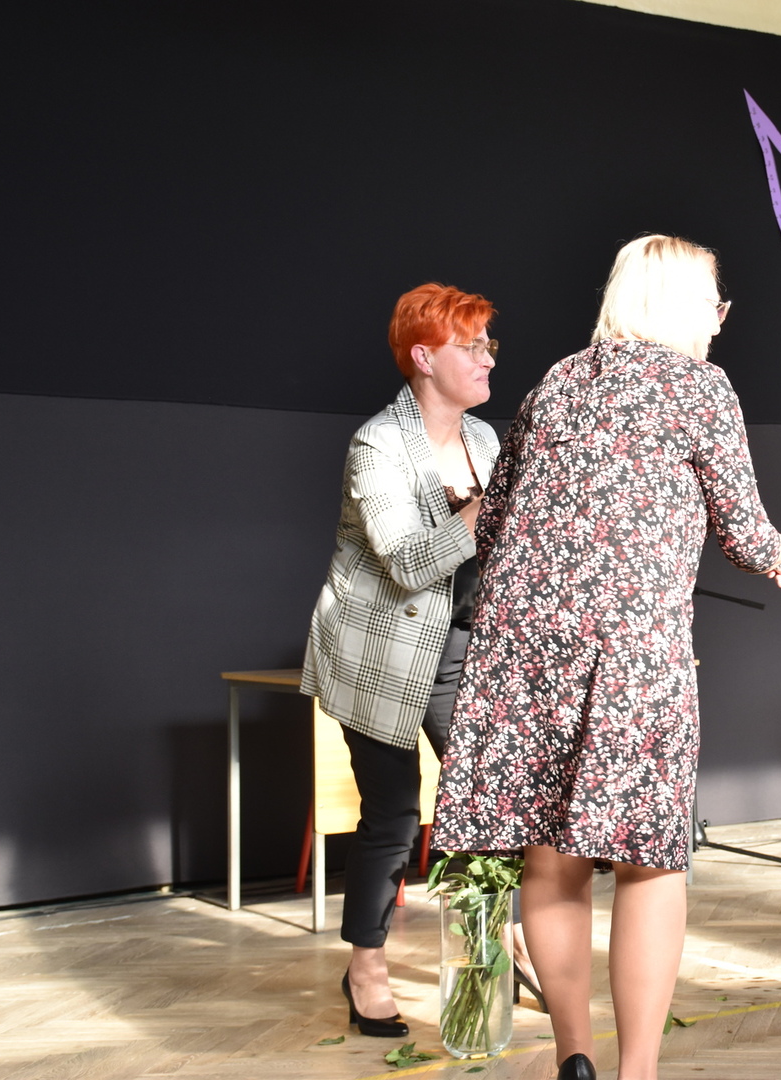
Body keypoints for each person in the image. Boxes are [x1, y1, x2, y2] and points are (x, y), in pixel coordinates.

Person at [431, 235, 781, 1080]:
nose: (721, 320)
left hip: (521, 646)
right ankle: (638, 1073)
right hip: (630, 649)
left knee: (549, 853)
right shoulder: (699, 386)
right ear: (677, 307)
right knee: (647, 859)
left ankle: (576, 1056)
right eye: (713, 302)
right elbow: (747, 538)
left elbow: (492, 524)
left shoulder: (556, 381)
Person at [300, 282, 515, 1037]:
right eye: (472, 346)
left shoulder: (486, 439)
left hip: (462, 648)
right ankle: (365, 965)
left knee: (491, 803)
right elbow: (406, 562)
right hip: (380, 653)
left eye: (489, 343)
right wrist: (488, 510)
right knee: (392, 813)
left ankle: (499, 949)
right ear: (424, 358)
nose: (488, 358)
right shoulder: (378, 444)